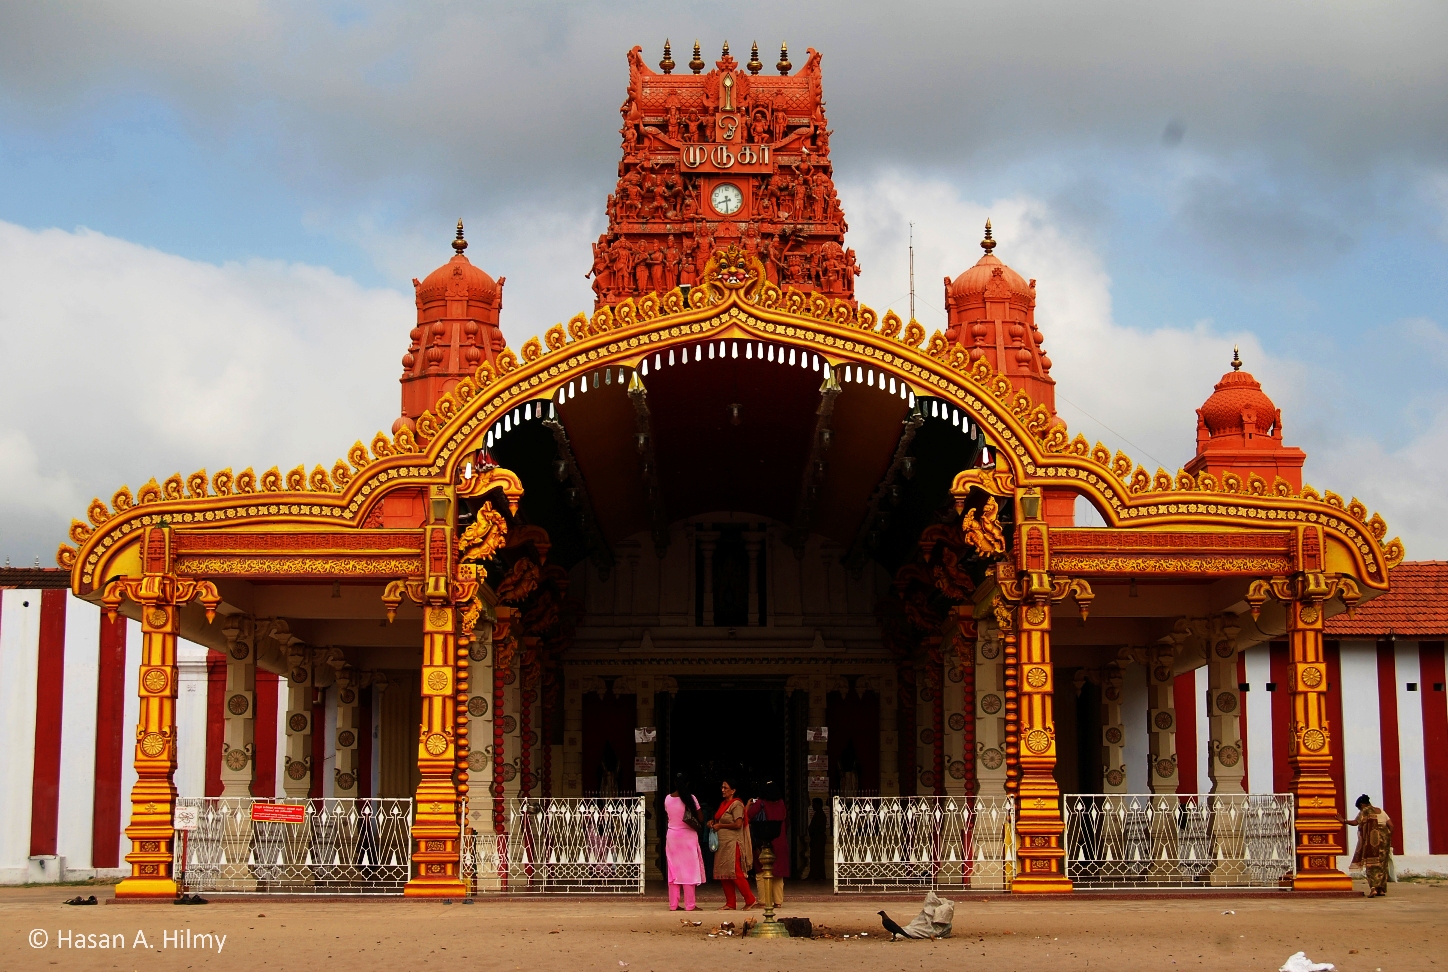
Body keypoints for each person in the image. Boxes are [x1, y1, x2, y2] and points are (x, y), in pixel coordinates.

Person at [708, 777, 756, 910]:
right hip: (722, 844)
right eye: (722, 787)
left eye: (725, 788)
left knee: (735, 872)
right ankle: (730, 903)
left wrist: (721, 826)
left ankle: (750, 899)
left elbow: (738, 824)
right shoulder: (723, 804)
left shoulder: (737, 805)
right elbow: (718, 819)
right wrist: (712, 823)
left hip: (732, 843)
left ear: (733, 790)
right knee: (724, 873)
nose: (722, 790)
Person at [664, 774, 706, 911]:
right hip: (687, 836)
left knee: (673, 871)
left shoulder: (667, 798)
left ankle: (673, 905)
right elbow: (700, 818)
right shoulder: (691, 798)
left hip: (672, 836)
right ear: (687, 783)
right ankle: (690, 905)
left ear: (675, 783)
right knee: (689, 871)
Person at [747, 780, 789, 907]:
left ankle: (764, 900)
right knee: (778, 873)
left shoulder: (761, 803)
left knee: (761, 871)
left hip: (764, 840)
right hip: (780, 840)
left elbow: (749, 815)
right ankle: (778, 901)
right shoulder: (781, 803)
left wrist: (749, 805)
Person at [1346, 793, 1394, 897]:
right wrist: (1387, 838)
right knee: (1382, 865)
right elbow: (1391, 825)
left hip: (1372, 841)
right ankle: (1381, 889)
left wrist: (1344, 821)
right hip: (1384, 840)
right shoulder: (1381, 811)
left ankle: (1373, 889)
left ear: (1362, 805)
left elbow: (1355, 822)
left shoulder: (1365, 811)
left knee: (1371, 864)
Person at [808, 797, 828, 881]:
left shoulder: (820, 815)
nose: (813, 806)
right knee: (816, 857)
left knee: (817, 858)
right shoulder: (818, 814)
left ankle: (817, 875)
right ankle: (817, 875)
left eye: (814, 804)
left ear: (818, 805)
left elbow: (817, 828)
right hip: (816, 839)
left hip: (818, 839)